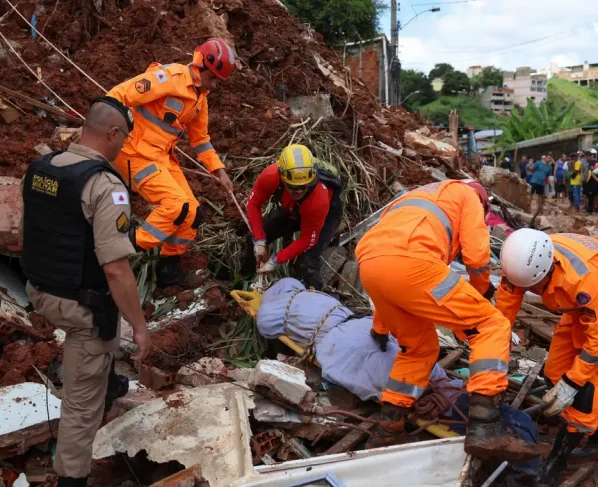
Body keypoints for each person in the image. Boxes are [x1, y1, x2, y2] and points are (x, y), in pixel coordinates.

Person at [355, 179, 539, 460]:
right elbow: (477, 257)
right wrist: (481, 293)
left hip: (369, 265)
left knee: (418, 349)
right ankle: (485, 425)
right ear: (484, 203)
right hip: (415, 264)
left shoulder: (414, 197)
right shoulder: (468, 196)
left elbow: (389, 267)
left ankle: (388, 427)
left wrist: (380, 328)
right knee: (491, 326)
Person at [20, 97, 151, 487]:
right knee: (81, 405)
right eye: (124, 138)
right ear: (112, 133)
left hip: (40, 289)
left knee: (103, 337)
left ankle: (108, 383)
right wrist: (139, 326)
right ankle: (72, 478)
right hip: (80, 307)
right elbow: (115, 268)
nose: (124, 145)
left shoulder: (42, 168)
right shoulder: (104, 185)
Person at [106, 38, 235, 287]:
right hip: (135, 152)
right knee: (176, 206)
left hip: (161, 157)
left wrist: (219, 170)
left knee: (192, 212)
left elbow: (201, 139)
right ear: (200, 66)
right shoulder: (169, 77)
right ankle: (120, 249)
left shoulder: (200, 99)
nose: (215, 85)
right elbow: (119, 95)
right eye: (213, 78)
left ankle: (167, 270)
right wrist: (100, 127)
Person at [496, 229, 598, 483]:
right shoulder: (519, 265)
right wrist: (495, 361)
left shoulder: (584, 281)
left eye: (533, 287)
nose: (528, 291)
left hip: (595, 309)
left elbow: (596, 344)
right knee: (554, 373)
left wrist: (573, 383)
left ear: (549, 271)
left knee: (586, 393)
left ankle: (558, 459)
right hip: (580, 311)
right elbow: (502, 316)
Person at [245, 144, 344, 290]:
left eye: (304, 186)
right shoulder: (270, 176)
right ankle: (244, 280)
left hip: (324, 215)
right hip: (292, 210)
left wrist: (276, 260)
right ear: (282, 178)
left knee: (307, 263)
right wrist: (259, 240)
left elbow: (307, 239)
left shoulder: (318, 200)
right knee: (251, 239)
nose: (299, 192)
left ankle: (313, 295)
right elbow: (253, 204)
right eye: (293, 187)